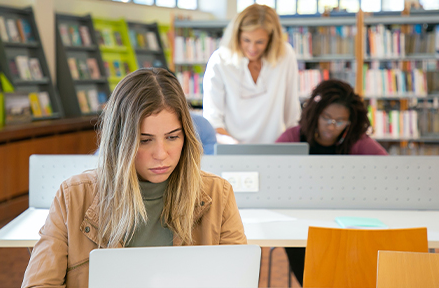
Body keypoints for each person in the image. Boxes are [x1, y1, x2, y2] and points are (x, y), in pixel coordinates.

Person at [21, 68, 247, 288]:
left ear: (186, 137)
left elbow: (238, 281)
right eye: (144, 140)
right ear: (120, 142)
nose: (161, 154)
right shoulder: (74, 197)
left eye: (172, 137)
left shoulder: (218, 194)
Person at [276, 79, 387, 286]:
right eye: (326, 118)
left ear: (350, 121)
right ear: (315, 113)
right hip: (301, 219)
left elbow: (388, 170)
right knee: (307, 261)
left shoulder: (357, 141)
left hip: (345, 219)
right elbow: (273, 171)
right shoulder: (293, 137)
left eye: (340, 121)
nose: (332, 126)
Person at [202, 4, 301, 144]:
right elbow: (213, 120)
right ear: (237, 36)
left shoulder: (285, 55)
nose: (252, 48)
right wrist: (236, 148)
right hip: (231, 151)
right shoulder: (219, 60)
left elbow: (292, 114)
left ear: (271, 40)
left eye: (260, 42)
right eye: (246, 40)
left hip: (276, 150)